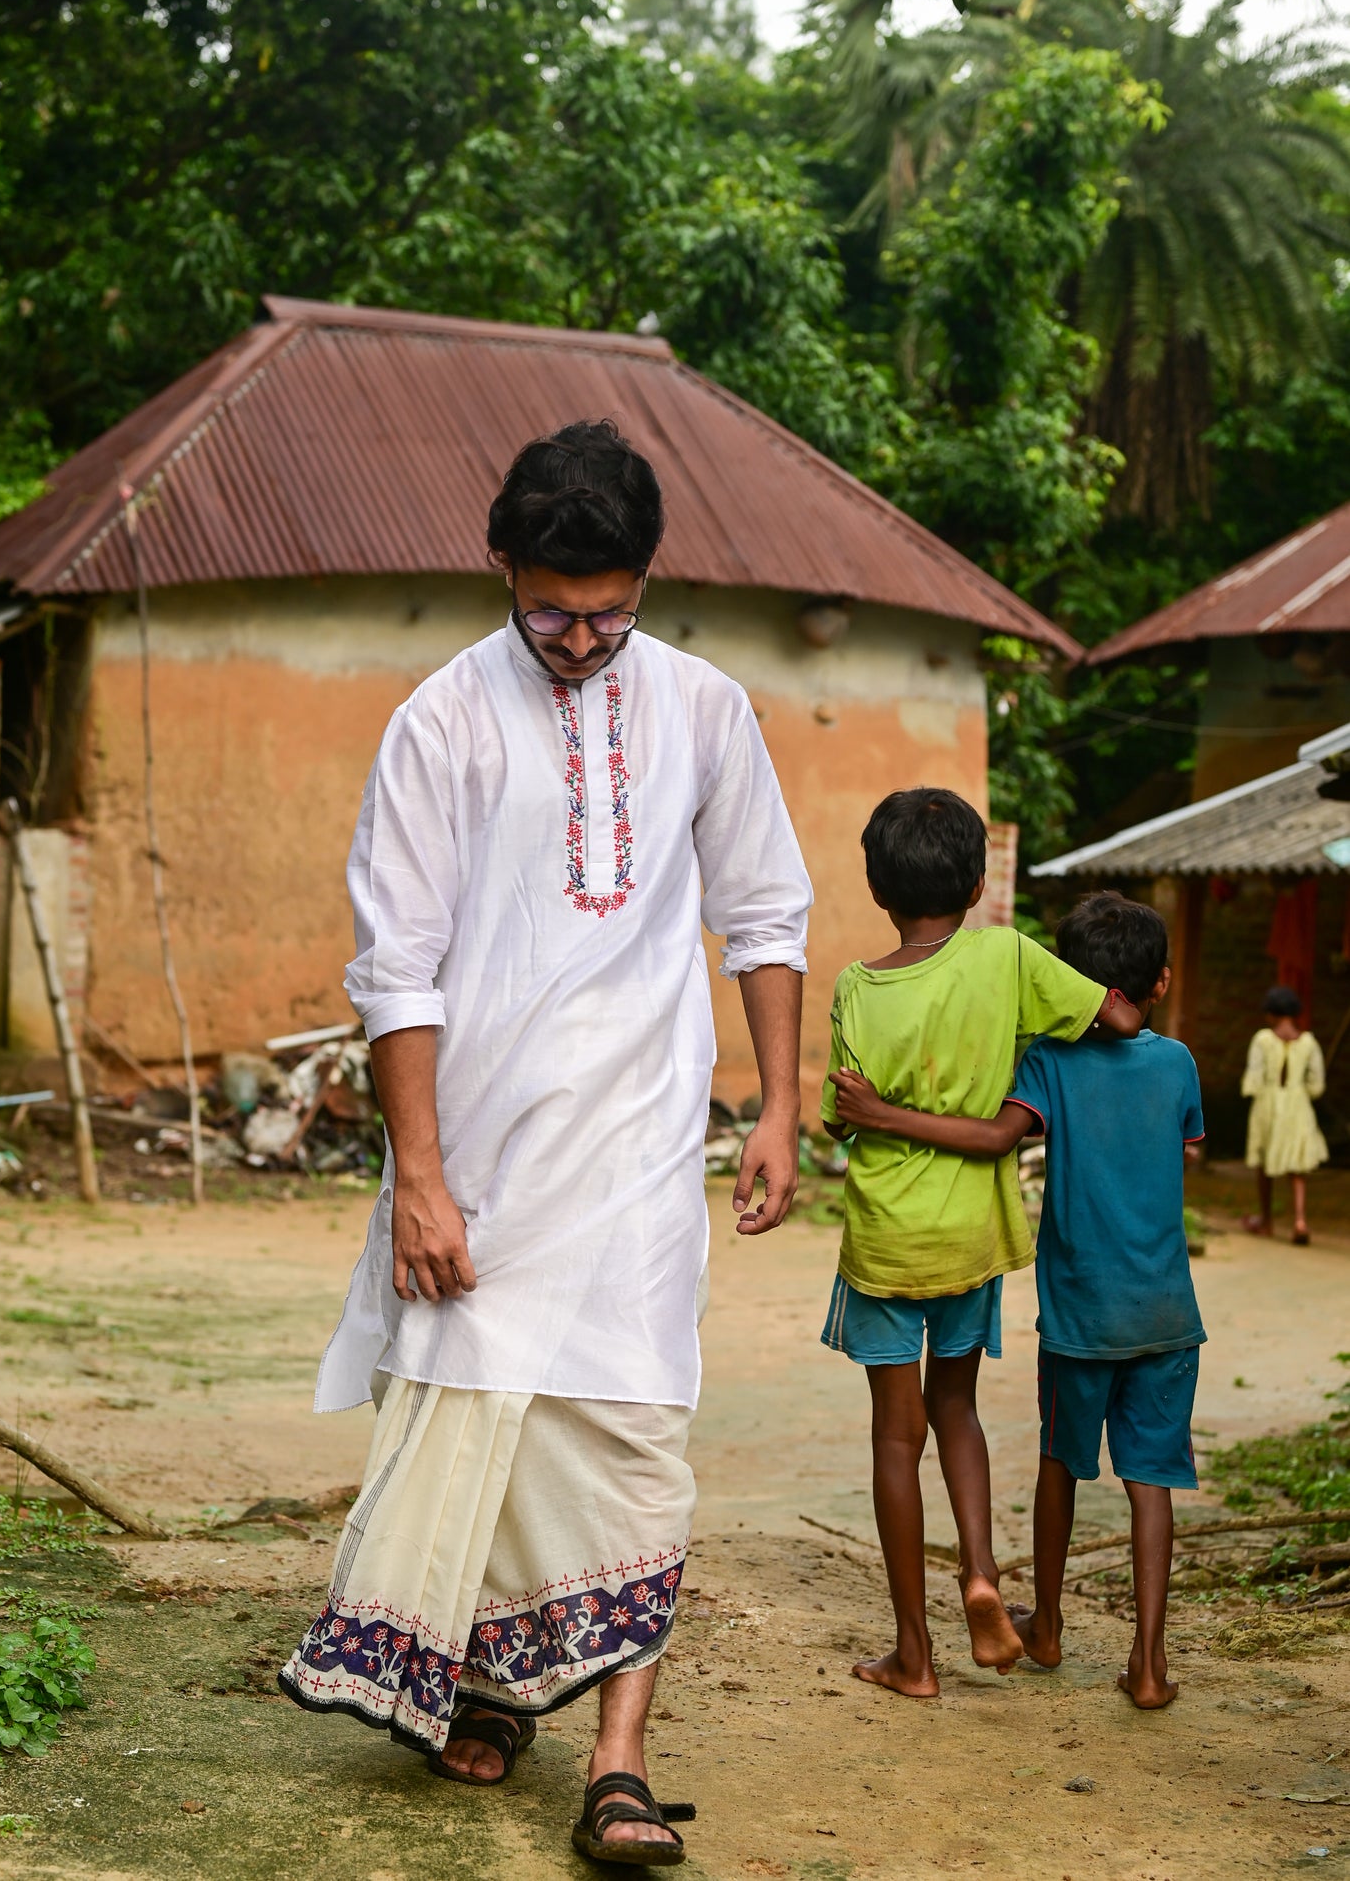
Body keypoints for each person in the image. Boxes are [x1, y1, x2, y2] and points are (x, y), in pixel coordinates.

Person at [279, 421, 812, 1869]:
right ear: (499, 563)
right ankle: (495, 1685)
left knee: (638, 1432)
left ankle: (621, 1762)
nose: (582, 639)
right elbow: (396, 968)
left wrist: (774, 1102)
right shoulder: (439, 721)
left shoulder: (704, 709)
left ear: (648, 578)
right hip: (481, 1154)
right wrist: (422, 1181)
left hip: (641, 1143)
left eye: (612, 609)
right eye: (553, 608)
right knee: (489, 1432)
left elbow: (764, 915)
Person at [822, 791, 1143, 1700]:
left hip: (886, 1240)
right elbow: (1115, 1021)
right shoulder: (1004, 955)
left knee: (896, 1436)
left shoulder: (855, 984)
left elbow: (841, 1123)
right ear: (974, 884)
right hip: (972, 1232)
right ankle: (980, 1573)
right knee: (955, 1409)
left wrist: (887, 1115)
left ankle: (912, 1656)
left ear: (878, 888)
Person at [850, 890, 1206, 1710]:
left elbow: (993, 1137)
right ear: (1157, 982)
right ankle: (1149, 1667)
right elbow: (1188, 1143)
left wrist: (880, 1114)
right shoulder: (1177, 1062)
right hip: (1166, 1311)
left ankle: (1044, 1626)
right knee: (1150, 1482)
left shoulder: (1047, 1063)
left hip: (1082, 1315)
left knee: (1060, 1467)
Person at [1242, 985, 1327, 1246]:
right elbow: (1316, 1083)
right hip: (1298, 1106)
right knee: (1297, 1168)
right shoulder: (1309, 1043)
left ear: (1272, 1013)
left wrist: (1254, 1090)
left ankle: (1266, 1221)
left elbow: (1254, 1077)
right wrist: (1303, 1092)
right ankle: (1300, 1220)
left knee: (1264, 1165)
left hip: (1268, 1105)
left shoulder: (1263, 1039)